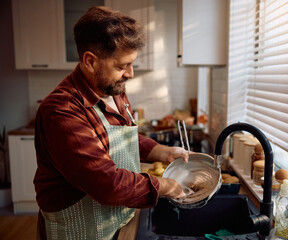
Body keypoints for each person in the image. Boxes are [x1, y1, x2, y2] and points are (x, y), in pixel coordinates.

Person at [34, 6, 188, 240]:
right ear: (90, 61)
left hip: (116, 221)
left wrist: (160, 151)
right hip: (79, 232)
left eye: (131, 63)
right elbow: (106, 184)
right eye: (121, 66)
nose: (130, 73)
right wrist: (165, 186)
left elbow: (119, 138)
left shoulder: (112, 88)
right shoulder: (62, 112)